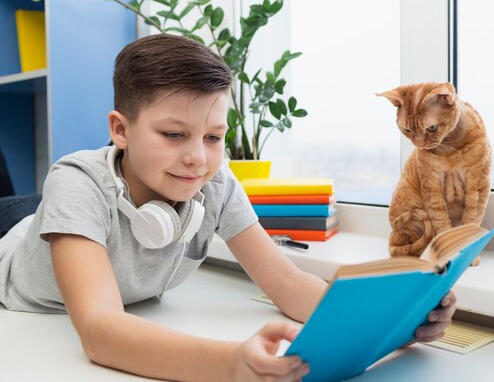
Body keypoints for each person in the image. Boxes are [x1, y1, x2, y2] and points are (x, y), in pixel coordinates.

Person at [0, 34, 457, 382]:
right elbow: (100, 332)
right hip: (19, 244)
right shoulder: (77, 184)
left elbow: (288, 283)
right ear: (120, 130)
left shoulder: (213, 180)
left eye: (213, 137)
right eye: (174, 135)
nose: (198, 157)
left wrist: (400, 318)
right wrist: (231, 364)